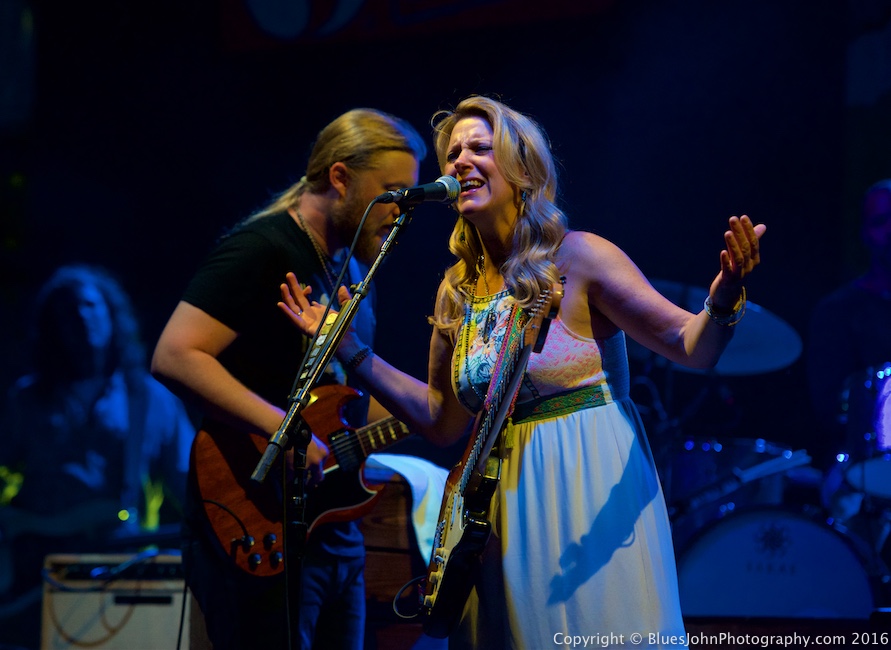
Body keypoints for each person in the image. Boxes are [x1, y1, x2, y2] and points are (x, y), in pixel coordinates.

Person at [279, 95, 765, 649]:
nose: (460, 161)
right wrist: (354, 353)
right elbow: (441, 422)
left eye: (480, 148)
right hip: (498, 511)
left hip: (585, 490)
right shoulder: (455, 291)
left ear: (522, 169)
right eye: (453, 152)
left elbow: (692, 346)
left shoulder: (578, 258)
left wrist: (724, 297)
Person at [150, 108, 427, 650]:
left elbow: (347, 403)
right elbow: (175, 354)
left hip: (335, 528)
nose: (401, 214)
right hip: (255, 517)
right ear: (340, 177)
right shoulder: (263, 249)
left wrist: (436, 409)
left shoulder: (352, 272)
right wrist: (291, 431)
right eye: (391, 193)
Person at [0, 264, 194, 650]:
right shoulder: (26, 400)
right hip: (35, 566)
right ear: (51, 328)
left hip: (120, 563)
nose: (81, 319)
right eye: (67, 312)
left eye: (91, 307)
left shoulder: (150, 400)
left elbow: (191, 485)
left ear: (111, 315)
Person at [806, 179, 891, 581]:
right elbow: (830, 410)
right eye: (882, 220)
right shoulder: (839, 312)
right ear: (865, 233)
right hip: (860, 462)